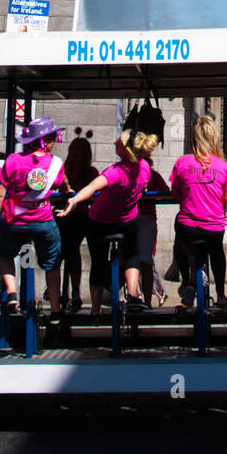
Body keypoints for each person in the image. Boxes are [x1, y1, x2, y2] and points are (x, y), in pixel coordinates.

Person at [56, 129, 157, 316]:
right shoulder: (144, 169)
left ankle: (95, 309)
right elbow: (142, 189)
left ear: (126, 150)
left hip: (100, 221)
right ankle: (133, 295)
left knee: (98, 261)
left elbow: (92, 187)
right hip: (127, 221)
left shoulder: (116, 171)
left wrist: (74, 200)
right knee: (132, 255)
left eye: (119, 140)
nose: (114, 142)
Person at [0, 117, 65, 322]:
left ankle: (12, 291)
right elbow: (61, 184)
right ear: (47, 140)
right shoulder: (56, 164)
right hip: (43, 222)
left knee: (4, 254)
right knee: (52, 262)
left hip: (15, 223)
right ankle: (55, 309)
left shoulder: (13, 160)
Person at [170, 116, 227, 309]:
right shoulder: (223, 166)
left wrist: (191, 200)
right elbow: (226, 199)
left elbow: (175, 194)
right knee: (216, 252)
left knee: (180, 241)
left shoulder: (182, 163)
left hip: (189, 227)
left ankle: (190, 278)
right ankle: (221, 294)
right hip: (214, 227)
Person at [57, 131, 99, 311]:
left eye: (79, 150)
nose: (74, 153)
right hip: (62, 214)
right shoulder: (62, 168)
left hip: (81, 215)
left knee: (72, 250)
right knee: (59, 251)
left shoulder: (90, 172)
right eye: (73, 149)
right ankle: (58, 289)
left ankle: (74, 291)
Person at [137, 164, 171, 307]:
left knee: (144, 262)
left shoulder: (152, 175)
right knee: (139, 262)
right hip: (134, 219)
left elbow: (166, 192)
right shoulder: (150, 174)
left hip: (144, 219)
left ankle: (145, 300)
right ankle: (140, 298)